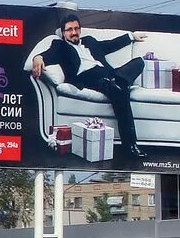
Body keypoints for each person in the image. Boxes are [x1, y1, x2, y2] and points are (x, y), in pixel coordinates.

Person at [30, 13, 148, 158]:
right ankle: (130, 146)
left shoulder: (90, 41)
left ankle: (119, 82)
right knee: (120, 91)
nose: (74, 32)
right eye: (69, 30)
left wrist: (131, 36)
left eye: (76, 28)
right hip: (88, 76)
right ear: (63, 32)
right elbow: (46, 54)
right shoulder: (60, 46)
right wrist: (38, 57)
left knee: (139, 62)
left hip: (110, 74)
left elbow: (110, 44)